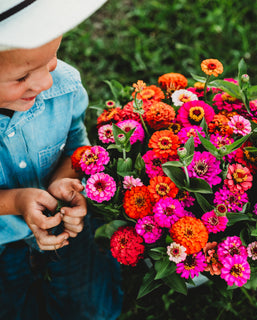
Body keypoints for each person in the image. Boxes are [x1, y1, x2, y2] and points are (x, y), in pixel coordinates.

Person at [0, 1, 123, 319]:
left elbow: (75, 146)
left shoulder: (64, 87)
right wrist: (15, 202)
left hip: (64, 227)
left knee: (94, 308)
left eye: (51, 60)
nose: (44, 83)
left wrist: (63, 182)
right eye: (23, 76)